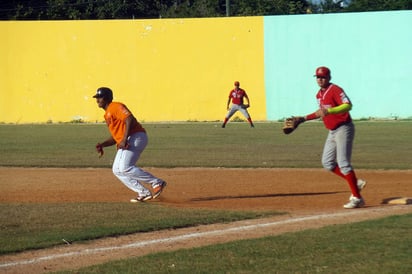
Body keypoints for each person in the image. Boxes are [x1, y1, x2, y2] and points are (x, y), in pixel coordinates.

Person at [301, 66, 366, 209]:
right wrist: (302, 119)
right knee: (328, 163)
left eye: (323, 77)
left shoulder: (335, 89)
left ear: (329, 77)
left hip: (344, 128)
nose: (320, 79)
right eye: (318, 77)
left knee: (343, 163)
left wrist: (330, 110)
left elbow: (348, 106)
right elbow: (321, 113)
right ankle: (355, 184)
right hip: (332, 131)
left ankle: (357, 198)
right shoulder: (319, 94)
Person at [93, 87, 166, 203]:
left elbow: (129, 119)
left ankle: (156, 182)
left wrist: (124, 138)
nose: (97, 100)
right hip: (129, 138)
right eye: (97, 98)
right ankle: (143, 192)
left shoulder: (115, 106)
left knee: (125, 167)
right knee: (117, 169)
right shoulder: (107, 114)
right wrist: (103, 144)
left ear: (106, 98)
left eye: (99, 97)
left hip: (136, 136)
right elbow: (116, 136)